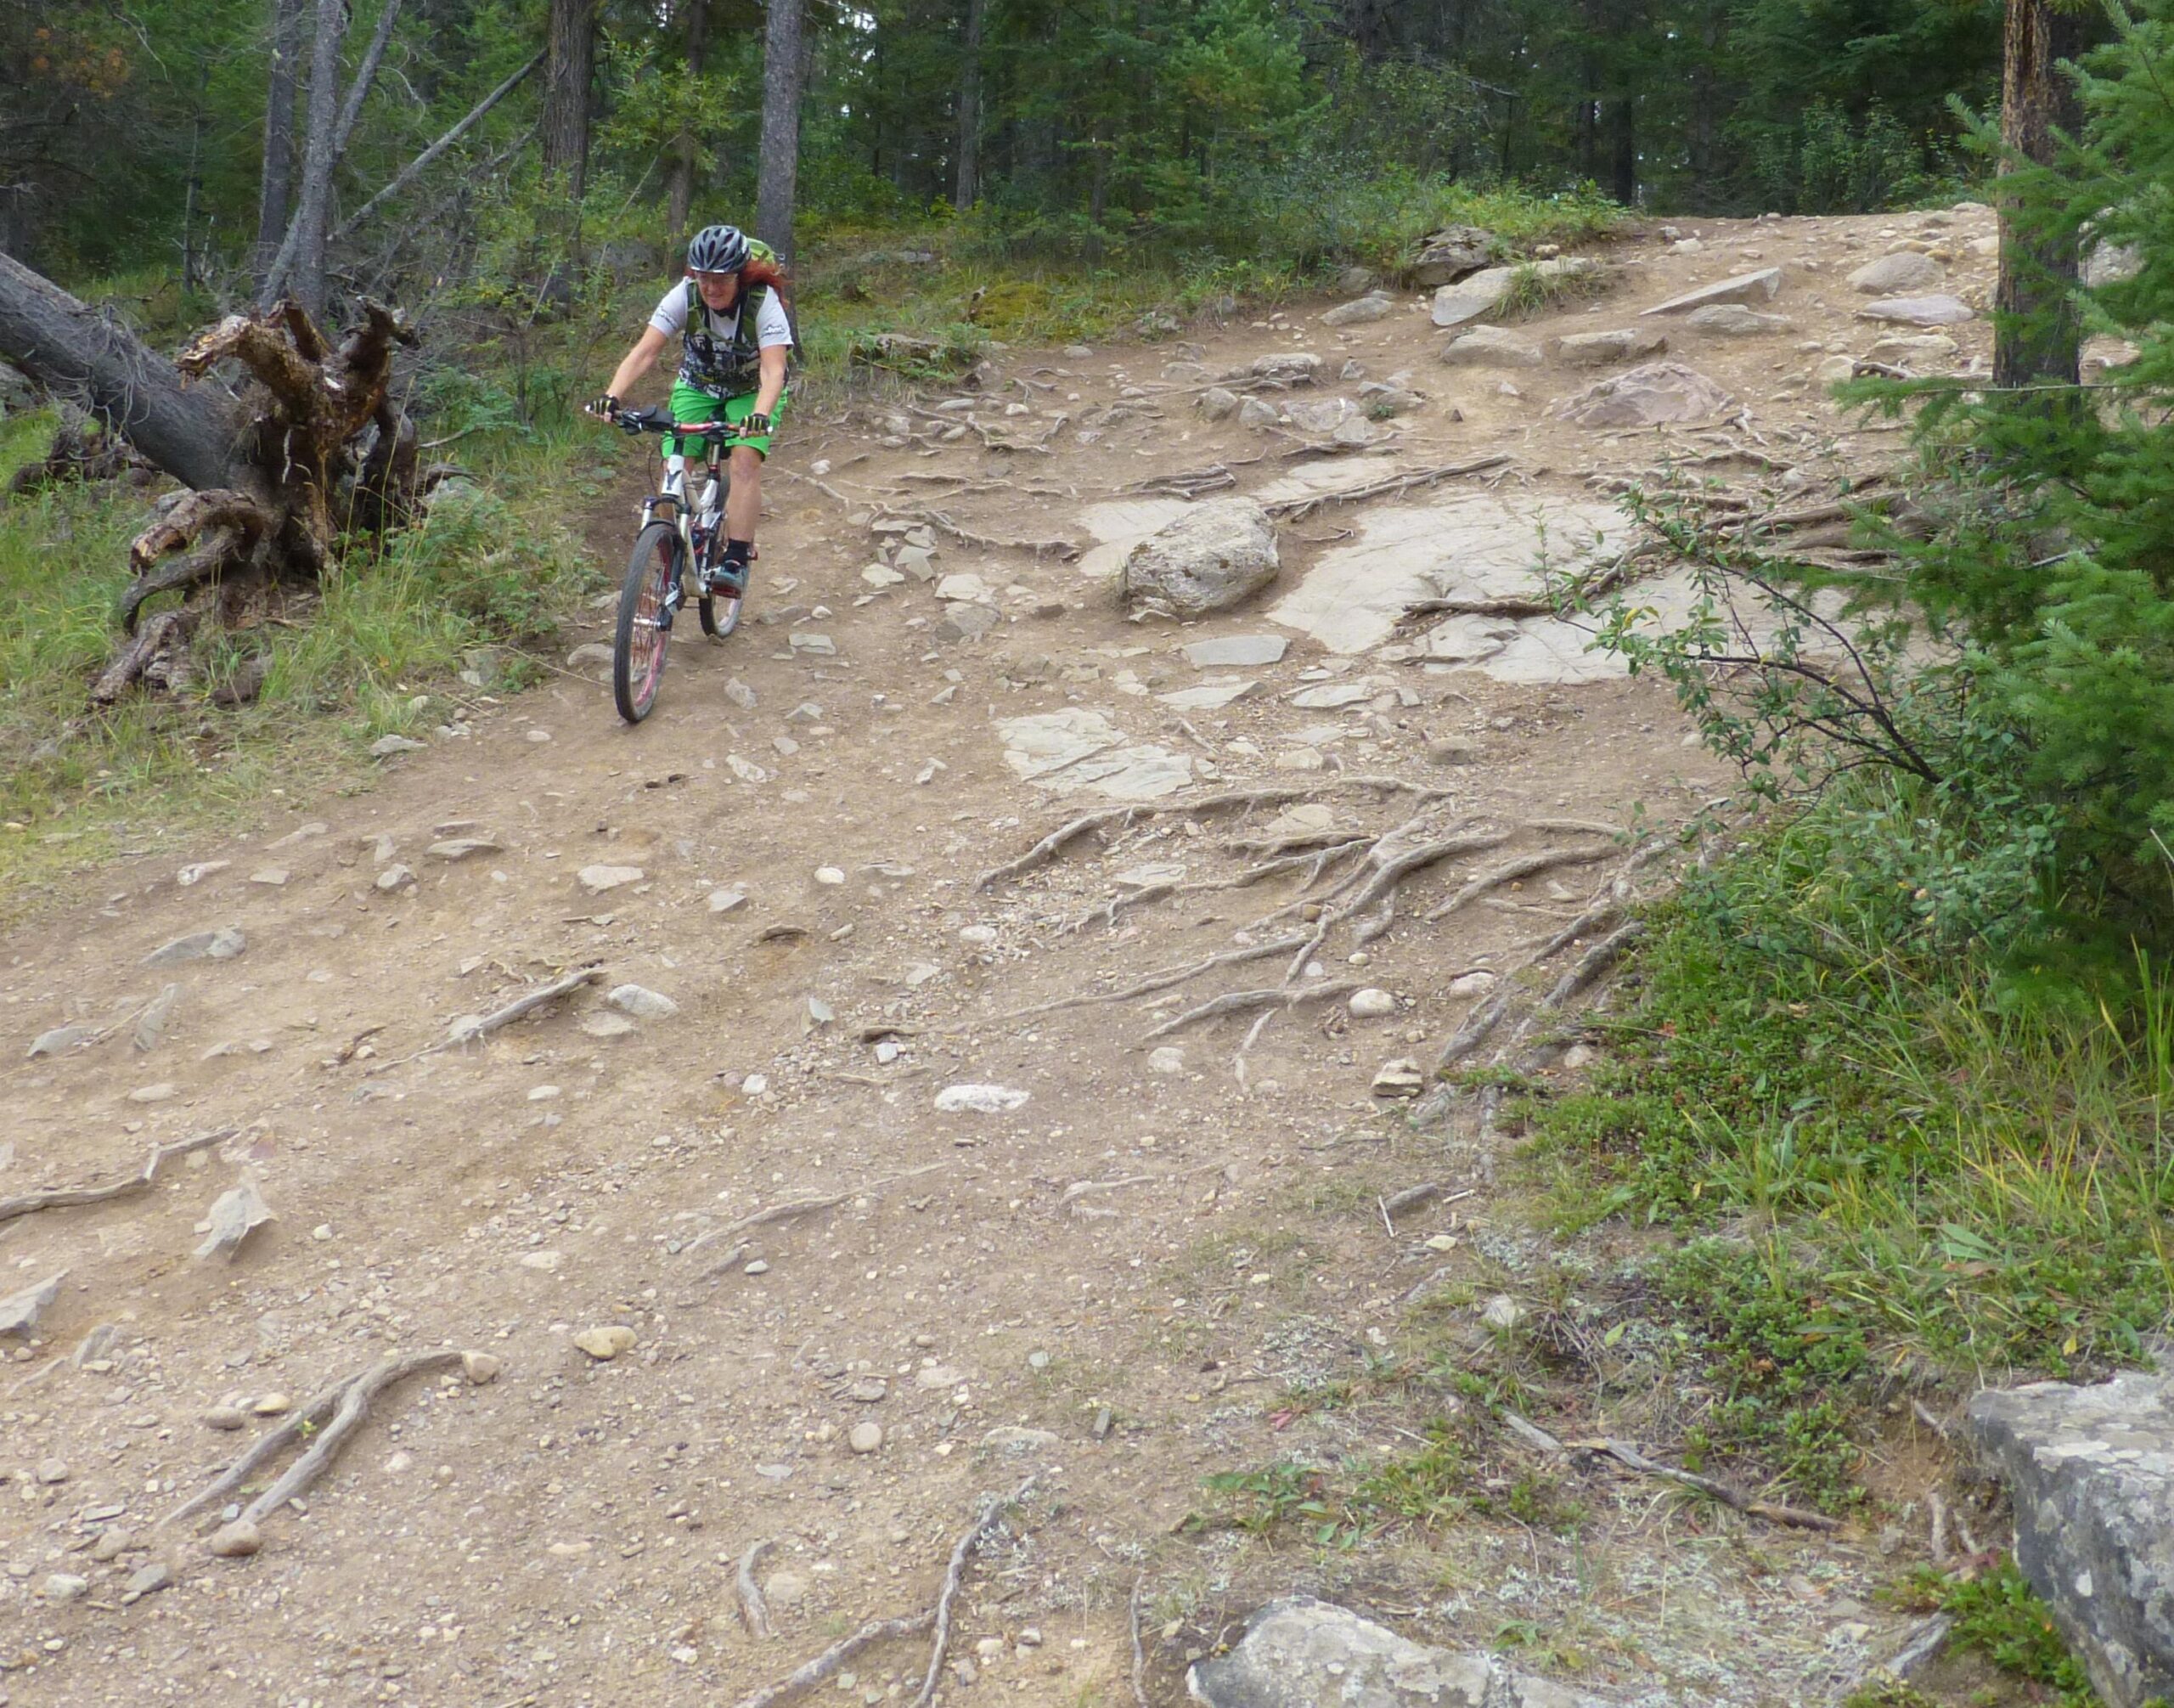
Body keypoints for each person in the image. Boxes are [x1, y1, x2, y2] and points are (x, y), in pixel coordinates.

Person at [588, 224, 791, 592]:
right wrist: (612, 395)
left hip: (750, 390)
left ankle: (736, 557)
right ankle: (676, 548)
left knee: (745, 459)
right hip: (697, 386)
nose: (711, 288)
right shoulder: (684, 296)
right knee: (673, 469)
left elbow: (773, 369)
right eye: (703, 278)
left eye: (721, 280)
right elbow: (645, 351)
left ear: (739, 276)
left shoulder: (763, 303)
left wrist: (759, 414)